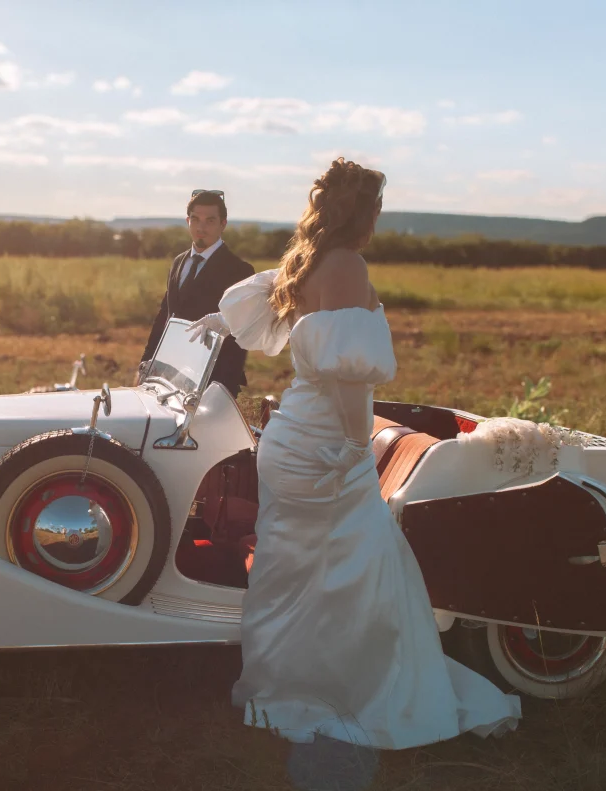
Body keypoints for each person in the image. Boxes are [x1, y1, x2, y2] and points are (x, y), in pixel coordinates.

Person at [186, 158, 521, 749]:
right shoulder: (344, 265)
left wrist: (221, 318)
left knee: (297, 567)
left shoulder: (306, 260)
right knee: (358, 565)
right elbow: (346, 376)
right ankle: (350, 691)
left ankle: (285, 680)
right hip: (323, 442)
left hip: (294, 436)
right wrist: (349, 447)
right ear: (364, 213)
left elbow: (264, 311)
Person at [137, 190, 254, 398]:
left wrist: (222, 389)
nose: (201, 227)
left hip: (213, 382)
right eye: (195, 219)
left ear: (223, 224)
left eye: (210, 221)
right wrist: (147, 362)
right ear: (187, 221)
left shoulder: (239, 270)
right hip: (169, 375)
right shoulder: (178, 262)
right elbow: (165, 315)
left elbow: (239, 334)